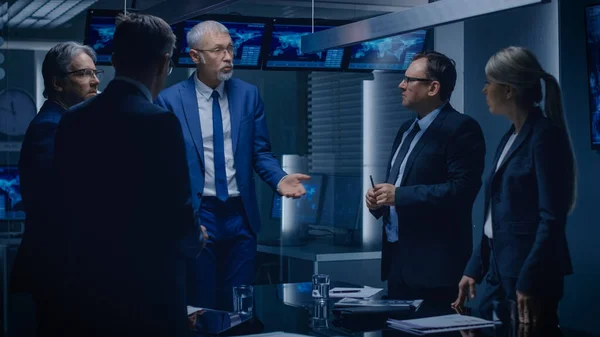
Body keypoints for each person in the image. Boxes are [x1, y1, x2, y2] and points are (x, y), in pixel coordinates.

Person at [53, 13, 206, 336]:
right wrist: (197, 239)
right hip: (149, 297)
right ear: (165, 62)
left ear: (115, 58)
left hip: (87, 294)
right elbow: (177, 214)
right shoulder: (159, 123)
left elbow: (63, 208)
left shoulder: (73, 120)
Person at [156, 20, 309, 310]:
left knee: (241, 304)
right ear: (195, 56)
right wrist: (178, 220)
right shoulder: (169, 101)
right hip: (200, 216)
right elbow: (165, 171)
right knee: (202, 304)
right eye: (218, 50)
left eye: (230, 49)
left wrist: (279, 179)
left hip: (241, 216)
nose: (228, 57)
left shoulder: (248, 95)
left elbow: (260, 152)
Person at [452, 46, 576, 327]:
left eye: (488, 82)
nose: (483, 90)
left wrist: (529, 279)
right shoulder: (511, 136)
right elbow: (494, 217)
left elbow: (551, 219)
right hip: (499, 269)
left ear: (508, 90)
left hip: (529, 276)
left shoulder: (544, 137)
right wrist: (474, 268)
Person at [365, 51, 486, 310]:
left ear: (433, 88)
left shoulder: (461, 128)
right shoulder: (406, 129)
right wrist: (378, 202)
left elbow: (462, 191)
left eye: (409, 79)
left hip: (436, 270)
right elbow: (398, 186)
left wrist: (399, 195)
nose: (401, 85)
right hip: (398, 266)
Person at [10, 41, 100, 335]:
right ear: (57, 84)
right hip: (60, 268)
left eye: (95, 72)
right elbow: (62, 201)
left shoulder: (67, 122)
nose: (95, 80)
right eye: (84, 73)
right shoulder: (51, 127)